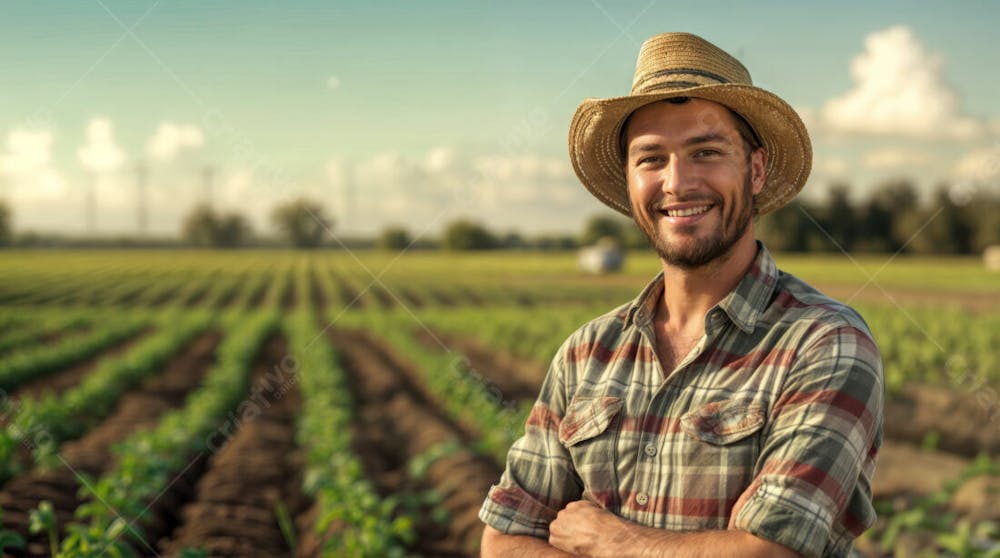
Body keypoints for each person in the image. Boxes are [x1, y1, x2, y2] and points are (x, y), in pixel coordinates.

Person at [479, 32, 883, 557]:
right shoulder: (586, 353)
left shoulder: (825, 344)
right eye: (651, 159)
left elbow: (772, 551)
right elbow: (505, 537)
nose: (677, 182)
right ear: (629, 180)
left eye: (706, 151)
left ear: (755, 170)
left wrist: (611, 540)